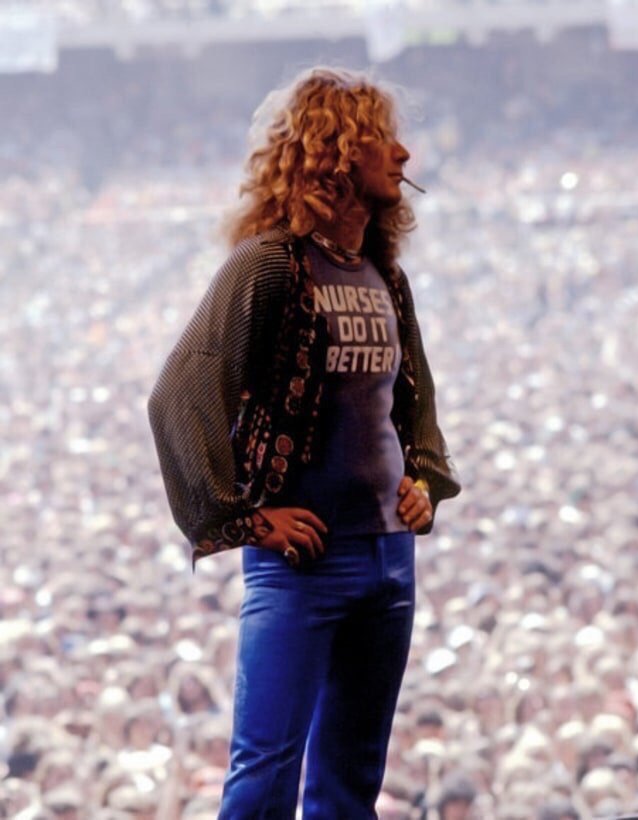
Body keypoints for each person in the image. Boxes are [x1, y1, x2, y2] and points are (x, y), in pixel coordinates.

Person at [148, 66, 461, 819]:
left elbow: (408, 400)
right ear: (339, 149)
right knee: (262, 783)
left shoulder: (385, 273)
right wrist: (247, 519)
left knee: (350, 784)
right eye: (385, 138)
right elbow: (180, 395)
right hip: (303, 566)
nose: (405, 155)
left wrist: (421, 484)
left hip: (390, 558)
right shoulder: (269, 266)